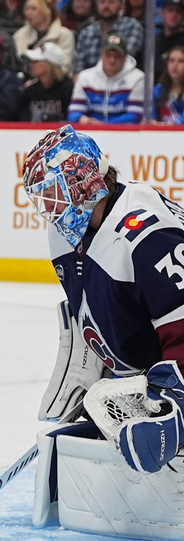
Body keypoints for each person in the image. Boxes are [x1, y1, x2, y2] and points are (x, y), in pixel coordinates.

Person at [22, 125, 184, 484]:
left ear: (84, 183)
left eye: (53, 193)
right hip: (150, 372)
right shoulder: (67, 235)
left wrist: (175, 409)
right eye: (42, 198)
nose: (49, 208)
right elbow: (106, 307)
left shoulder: (148, 236)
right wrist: (99, 374)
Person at [68, 32, 144, 124]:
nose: (112, 59)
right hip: (92, 130)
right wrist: (84, 120)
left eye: (117, 56)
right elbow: (74, 112)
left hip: (125, 133)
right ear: (102, 55)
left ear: (125, 57)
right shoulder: (85, 77)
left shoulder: (137, 78)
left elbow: (135, 115)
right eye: (108, 55)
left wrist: (105, 126)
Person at [72, 0, 142, 76]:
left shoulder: (132, 26)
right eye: (102, 2)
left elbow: (126, 59)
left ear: (121, 5)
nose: (106, 6)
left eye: (111, 2)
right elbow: (78, 69)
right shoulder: (87, 32)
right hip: (90, 85)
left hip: (122, 80)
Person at [13, 0, 75, 76]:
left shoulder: (64, 35)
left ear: (47, 11)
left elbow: (64, 67)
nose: (28, 13)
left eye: (34, 9)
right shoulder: (20, 34)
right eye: (27, 9)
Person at [20, 42, 73, 121]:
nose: (31, 64)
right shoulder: (30, 91)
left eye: (36, 61)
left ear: (49, 64)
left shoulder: (68, 89)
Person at [155, 0, 184, 78]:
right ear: (163, 13)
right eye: (170, 10)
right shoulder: (155, 41)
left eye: (178, 11)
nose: (174, 14)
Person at [154, 45, 184, 124]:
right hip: (162, 133)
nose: (175, 65)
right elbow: (151, 116)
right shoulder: (158, 89)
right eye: (171, 60)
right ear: (166, 64)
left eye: (181, 61)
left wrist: (172, 124)